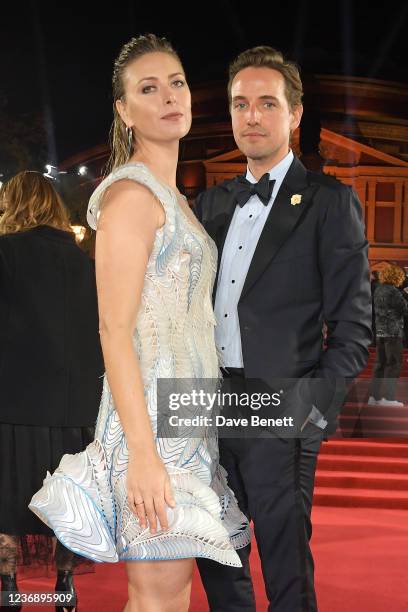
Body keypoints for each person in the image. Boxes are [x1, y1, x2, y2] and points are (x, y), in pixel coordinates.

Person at [30, 34, 250, 612]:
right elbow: (114, 330)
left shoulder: (173, 198)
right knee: (160, 598)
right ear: (125, 112)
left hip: (185, 420)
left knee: (167, 597)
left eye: (176, 83)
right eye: (148, 89)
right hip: (152, 427)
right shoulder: (131, 195)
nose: (170, 97)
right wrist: (144, 453)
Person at [195, 46, 372, 611]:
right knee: (218, 559)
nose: (251, 116)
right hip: (208, 403)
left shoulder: (329, 202)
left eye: (266, 104)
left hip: (281, 406)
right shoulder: (210, 204)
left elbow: (354, 324)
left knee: (286, 568)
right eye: (240, 104)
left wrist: (312, 405)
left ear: (294, 115)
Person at [0, 171, 103, 611]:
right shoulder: (88, 264)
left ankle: (9, 590)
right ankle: (64, 587)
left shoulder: (5, 253)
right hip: (75, 410)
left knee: (5, 507)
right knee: (68, 506)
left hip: (12, 404)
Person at [368, 264, 408, 407]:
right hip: (393, 333)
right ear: (397, 276)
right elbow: (405, 310)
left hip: (380, 332)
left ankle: (374, 397)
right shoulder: (394, 291)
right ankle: (388, 398)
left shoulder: (379, 290)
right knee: (394, 364)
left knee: (380, 364)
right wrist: (405, 295)